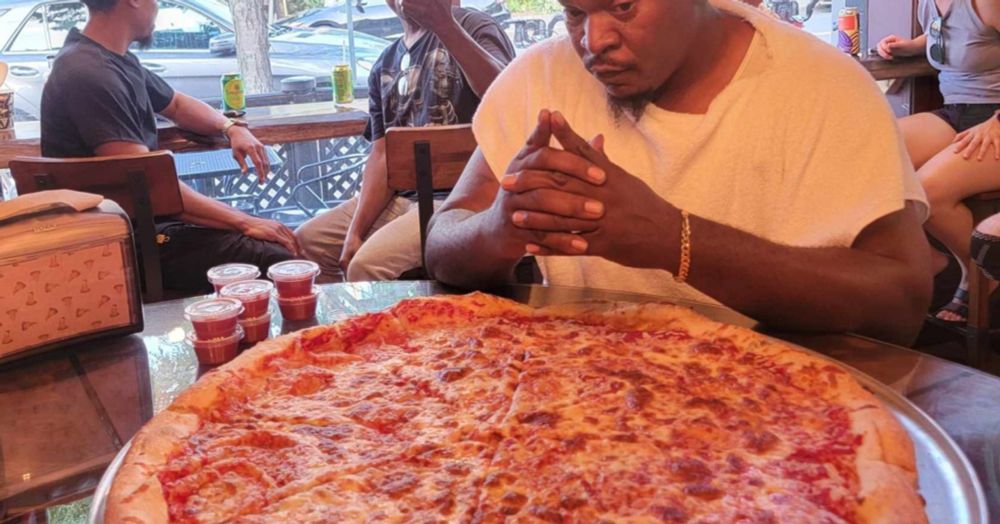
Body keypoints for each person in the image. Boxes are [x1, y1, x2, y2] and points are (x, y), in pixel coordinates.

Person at [425, 0, 933, 345]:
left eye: (622, 5)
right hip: (575, 404)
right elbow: (443, 243)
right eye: (575, 12)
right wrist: (500, 228)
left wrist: (673, 240)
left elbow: (900, 303)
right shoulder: (539, 76)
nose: (593, 40)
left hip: (770, 438)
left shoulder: (822, 87)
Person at [41, 0, 298, 292]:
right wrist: (244, 222)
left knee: (271, 244)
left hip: (138, 227)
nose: (158, 7)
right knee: (278, 259)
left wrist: (230, 128)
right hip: (116, 243)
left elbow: (175, 104)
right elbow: (149, 186)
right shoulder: (89, 74)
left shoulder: (111, 59)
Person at [294, 0, 515, 283]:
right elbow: (381, 156)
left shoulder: (473, 25)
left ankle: (394, 324)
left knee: (367, 266)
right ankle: (348, 326)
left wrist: (444, 24)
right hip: (402, 196)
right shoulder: (384, 63)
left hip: (464, 199)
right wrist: (355, 231)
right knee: (306, 243)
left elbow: (508, 97)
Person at [876, 0, 1000, 324]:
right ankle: (928, 258)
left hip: (995, 120)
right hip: (957, 111)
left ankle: (981, 276)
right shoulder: (930, 4)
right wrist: (911, 47)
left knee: (927, 191)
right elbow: (960, 37)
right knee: (870, 155)